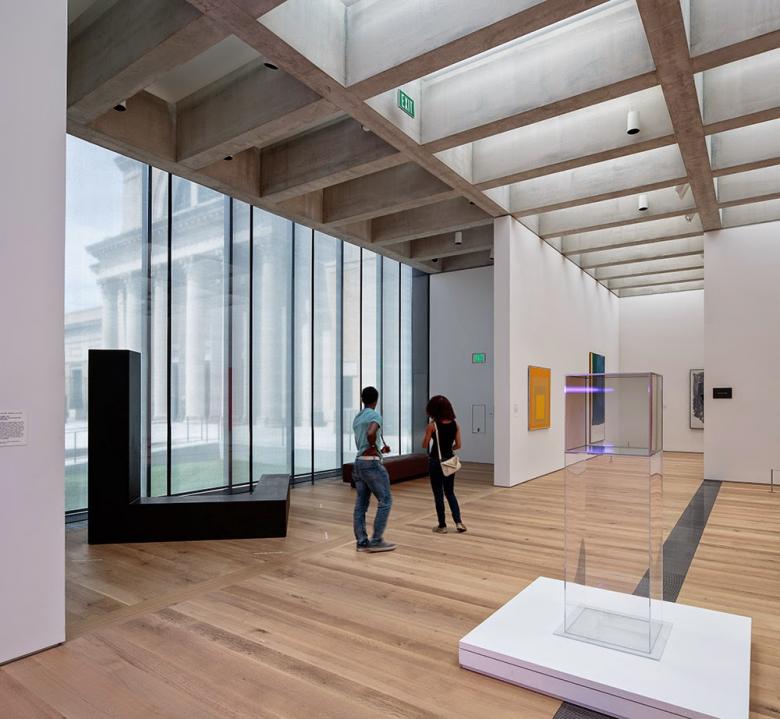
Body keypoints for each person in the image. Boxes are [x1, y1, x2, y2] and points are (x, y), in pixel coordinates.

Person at [352, 386, 396, 553]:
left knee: (361, 505)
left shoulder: (357, 417)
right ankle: (376, 540)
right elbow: (371, 434)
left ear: (362, 399)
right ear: (376, 400)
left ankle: (362, 542)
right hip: (371, 464)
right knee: (386, 500)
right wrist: (372, 446)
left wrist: (378, 449)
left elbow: (361, 443)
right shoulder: (375, 415)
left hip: (359, 463)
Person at [422, 395, 467, 534]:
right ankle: (459, 522)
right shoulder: (455, 425)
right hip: (450, 461)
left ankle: (442, 526)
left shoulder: (432, 426)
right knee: (450, 492)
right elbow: (458, 445)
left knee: (438, 494)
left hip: (436, 461)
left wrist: (429, 433)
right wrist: (448, 449)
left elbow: (424, 444)